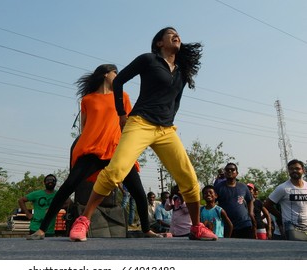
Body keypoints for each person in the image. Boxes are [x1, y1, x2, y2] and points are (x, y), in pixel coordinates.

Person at [69, 27, 217, 241]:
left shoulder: (181, 71)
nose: (177, 36)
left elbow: (176, 101)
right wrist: (121, 114)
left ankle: (196, 227)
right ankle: (83, 221)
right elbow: (118, 82)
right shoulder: (148, 60)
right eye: (171, 33)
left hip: (166, 130)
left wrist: (169, 120)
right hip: (140, 123)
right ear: (159, 43)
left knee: (189, 179)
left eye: (178, 34)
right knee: (116, 171)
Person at [27, 64, 160, 240]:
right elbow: (84, 127)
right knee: (67, 187)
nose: (118, 76)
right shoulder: (87, 100)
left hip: (117, 150)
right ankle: (42, 230)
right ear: (106, 74)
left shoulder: (123, 97)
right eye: (115, 73)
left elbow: (127, 124)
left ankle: (146, 230)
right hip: (92, 150)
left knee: (139, 192)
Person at [264, 159, 307, 241]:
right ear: (288, 171)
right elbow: (267, 204)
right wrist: (280, 216)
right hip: (291, 227)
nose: (294, 171)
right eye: (291, 169)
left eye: (297, 168)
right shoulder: (283, 188)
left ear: (303, 170)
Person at [214, 163, 256, 239]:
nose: (230, 171)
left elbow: (250, 200)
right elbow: (212, 203)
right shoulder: (218, 187)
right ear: (225, 172)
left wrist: (251, 212)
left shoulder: (243, 186)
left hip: (245, 224)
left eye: (232, 170)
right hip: (227, 225)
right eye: (227, 170)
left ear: (237, 173)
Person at [18, 174, 58, 239]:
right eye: (48, 180)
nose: (50, 182)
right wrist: (27, 214)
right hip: (35, 227)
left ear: (55, 183)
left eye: (52, 180)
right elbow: (21, 200)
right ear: (44, 182)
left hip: (49, 230)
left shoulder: (58, 194)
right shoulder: (37, 194)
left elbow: (69, 203)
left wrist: (55, 207)